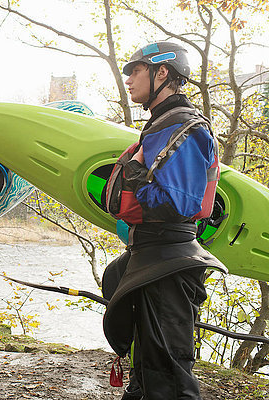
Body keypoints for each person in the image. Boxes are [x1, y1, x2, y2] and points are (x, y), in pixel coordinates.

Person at [101, 41, 227, 399]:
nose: (128, 80)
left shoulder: (183, 126)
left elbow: (176, 205)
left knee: (168, 375)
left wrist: (137, 169)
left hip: (169, 260)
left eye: (136, 71)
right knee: (148, 369)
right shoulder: (161, 124)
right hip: (152, 254)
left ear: (162, 73)